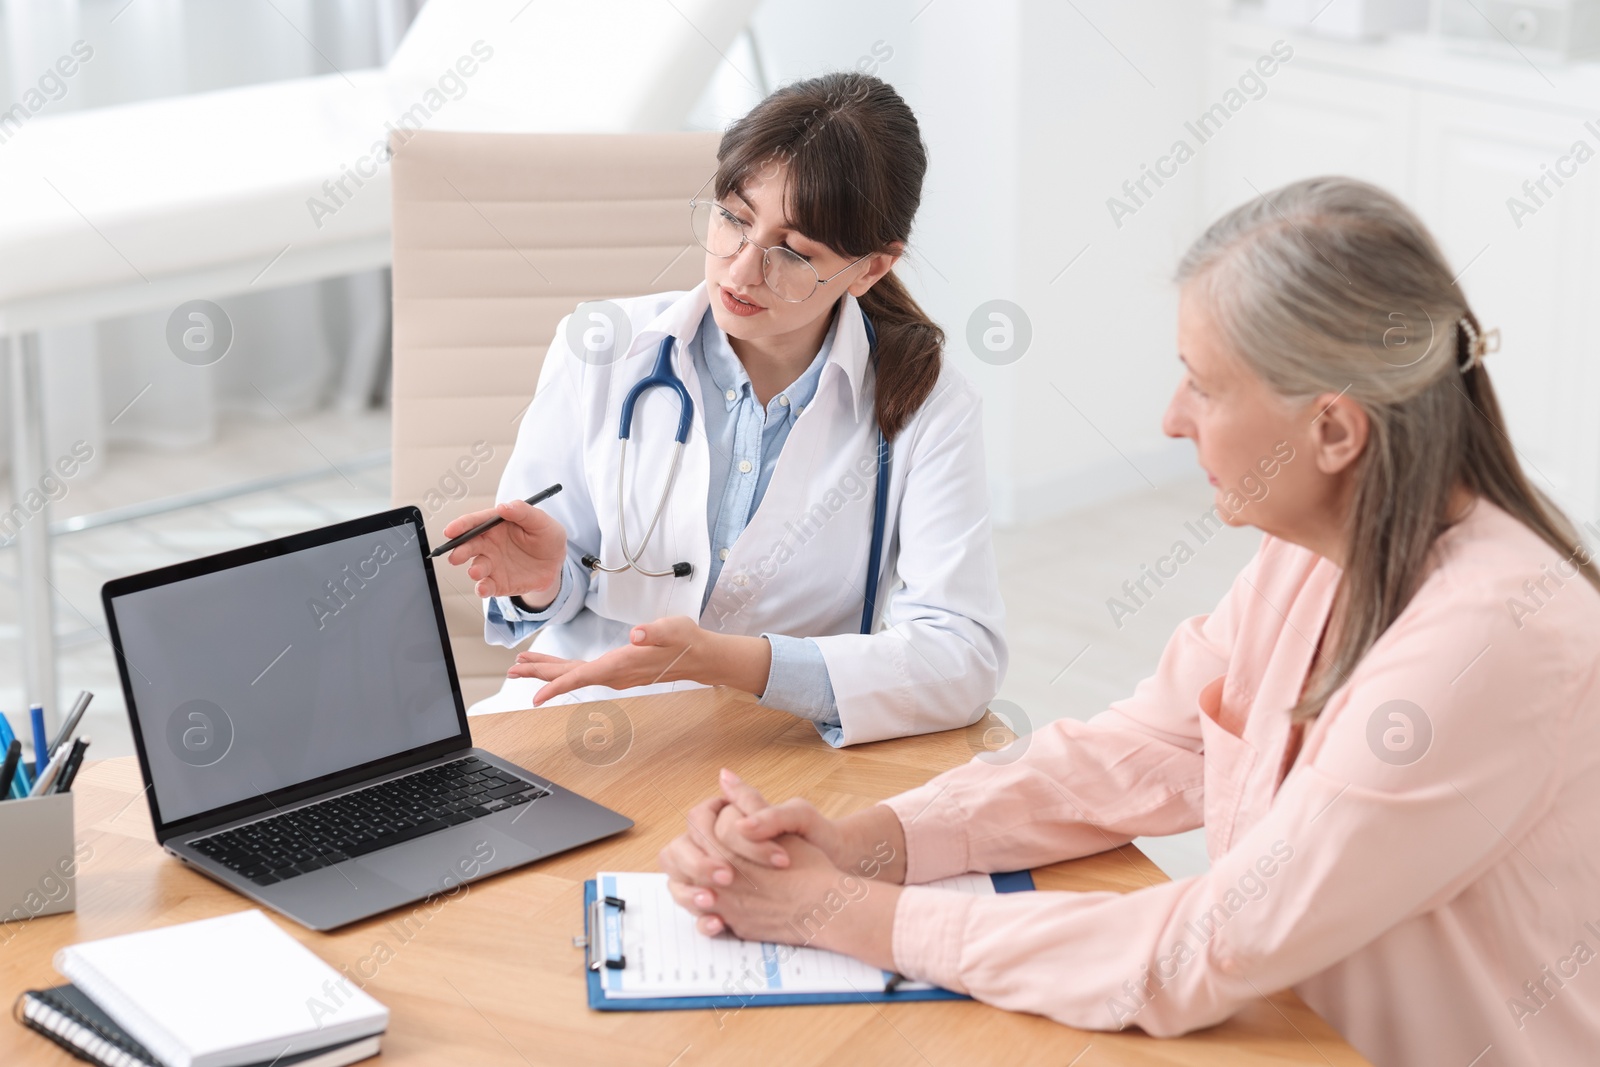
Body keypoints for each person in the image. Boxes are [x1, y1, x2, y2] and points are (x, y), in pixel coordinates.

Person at [659, 177, 1600, 1066]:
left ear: (1335, 431)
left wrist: (840, 912)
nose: (1170, 419)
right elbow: (1144, 749)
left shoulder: (1489, 642)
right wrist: (865, 844)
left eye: (1204, 384)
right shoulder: (1315, 551)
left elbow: (1208, 946)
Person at [438, 72, 1005, 746]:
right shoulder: (602, 348)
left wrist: (731, 663)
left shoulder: (925, 402)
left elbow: (962, 656)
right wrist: (541, 581)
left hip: (774, 750)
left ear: (871, 269)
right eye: (734, 218)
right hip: (582, 719)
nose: (739, 272)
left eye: (793, 253)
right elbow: (535, 596)